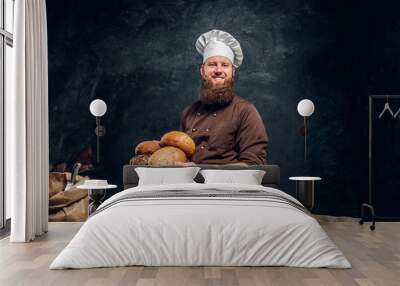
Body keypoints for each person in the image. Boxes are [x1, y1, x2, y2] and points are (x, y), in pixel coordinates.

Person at [178, 29, 268, 166]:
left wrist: (199, 170)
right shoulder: (189, 112)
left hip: (231, 186)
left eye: (225, 65)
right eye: (212, 64)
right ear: (202, 71)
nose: (218, 70)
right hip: (191, 185)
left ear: (233, 72)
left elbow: (253, 164)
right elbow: (182, 157)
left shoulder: (246, 111)